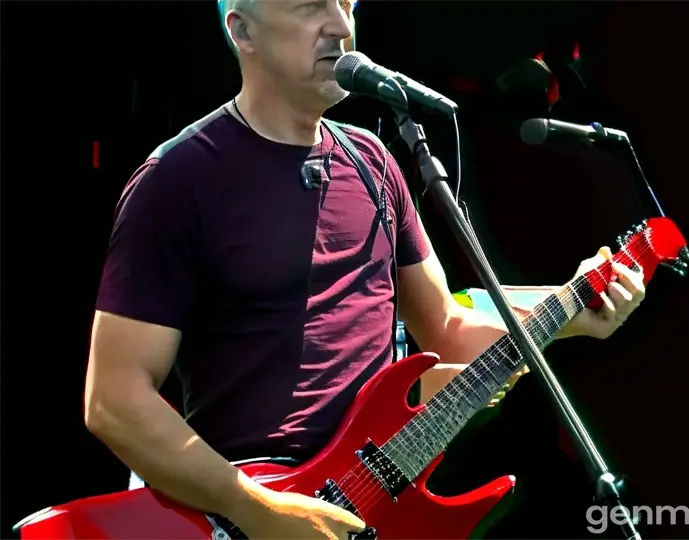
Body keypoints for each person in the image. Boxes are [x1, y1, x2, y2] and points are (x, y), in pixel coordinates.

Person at [83, 0, 646, 538]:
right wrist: (256, 509)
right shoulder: (178, 180)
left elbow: (446, 328)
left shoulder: (374, 162)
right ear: (243, 33)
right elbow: (113, 399)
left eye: (347, 6)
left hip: (372, 513)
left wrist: (572, 312)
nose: (339, 26)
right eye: (309, 8)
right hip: (239, 517)